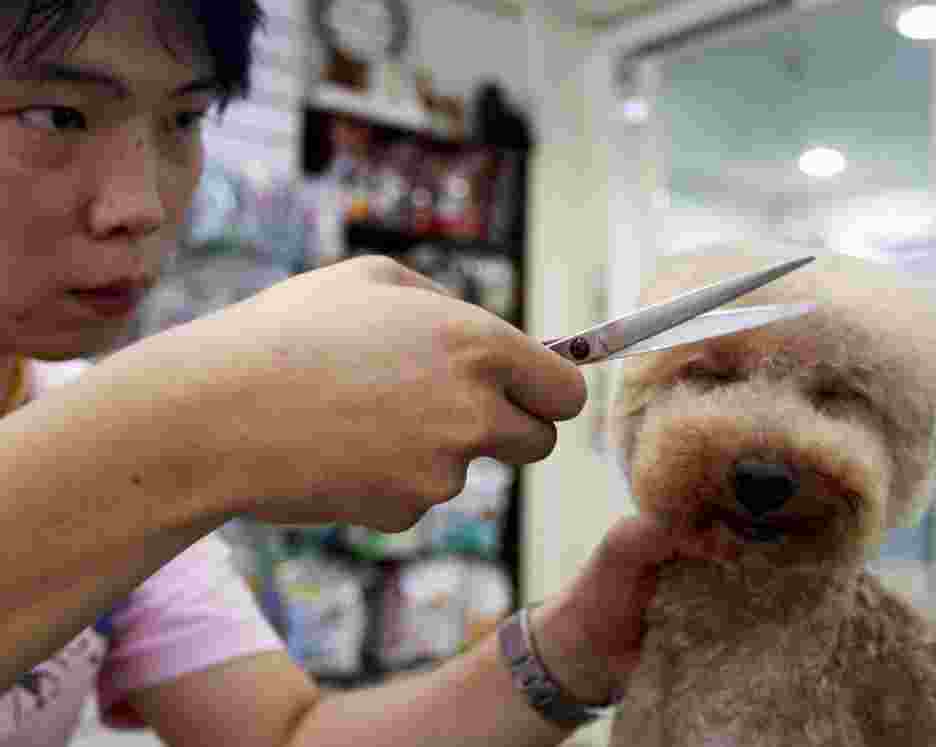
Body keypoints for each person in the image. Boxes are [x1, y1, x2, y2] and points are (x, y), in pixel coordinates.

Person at [0, 2, 688, 745]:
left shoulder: (88, 422)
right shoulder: (151, 457)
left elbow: (287, 733)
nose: (139, 206)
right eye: (54, 117)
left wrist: (574, 649)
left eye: (185, 119)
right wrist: (207, 425)